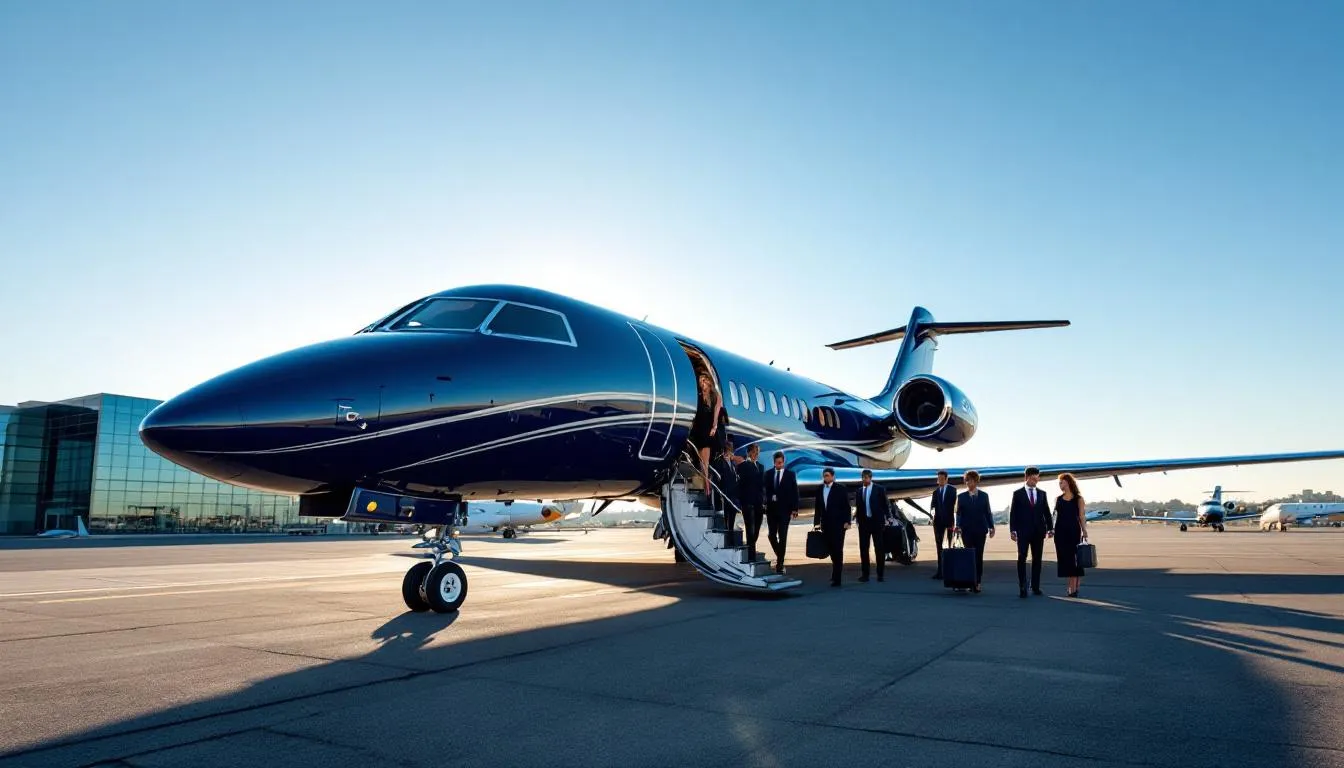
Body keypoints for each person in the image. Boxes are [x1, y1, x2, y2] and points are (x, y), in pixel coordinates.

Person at [1009, 466, 1054, 598]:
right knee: (1021, 558)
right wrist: (1013, 530)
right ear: (1026, 477)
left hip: (1039, 532)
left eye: (1037, 478)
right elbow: (1013, 513)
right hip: (1023, 532)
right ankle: (1022, 586)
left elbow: (1047, 512)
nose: (1035, 480)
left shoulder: (1042, 494)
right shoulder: (1017, 494)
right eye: (1033, 478)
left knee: (1037, 560)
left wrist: (1051, 528)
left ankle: (1035, 586)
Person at [953, 470, 995, 593]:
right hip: (966, 531)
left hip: (981, 531)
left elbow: (988, 512)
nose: (968, 483)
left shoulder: (984, 496)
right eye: (966, 481)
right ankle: (968, 581)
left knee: (978, 556)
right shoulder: (961, 497)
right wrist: (957, 526)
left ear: (976, 481)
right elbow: (958, 514)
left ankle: (977, 582)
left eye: (970, 480)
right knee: (968, 557)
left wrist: (991, 527)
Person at [813, 468, 851, 587]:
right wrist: (816, 523)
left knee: (838, 551)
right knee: (831, 550)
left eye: (828, 476)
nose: (826, 478)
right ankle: (835, 574)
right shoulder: (820, 489)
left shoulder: (841, 489)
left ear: (833, 477)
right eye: (824, 476)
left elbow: (847, 507)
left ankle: (837, 578)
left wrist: (847, 521)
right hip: (826, 525)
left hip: (839, 525)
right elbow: (818, 507)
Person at [763, 451, 799, 574]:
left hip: (785, 510)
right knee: (771, 535)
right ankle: (780, 556)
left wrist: (795, 509)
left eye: (781, 462)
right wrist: (769, 497)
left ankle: (780, 563)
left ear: (783, 462)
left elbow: (795, 492)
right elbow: (765, 490)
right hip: (772, 511)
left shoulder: (790, 475)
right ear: (774, 462)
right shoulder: (768, 474)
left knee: (783, 536)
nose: (779, 464)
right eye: (777, 463)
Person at [1054, 472, 1088, 597]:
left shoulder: (1078, 499)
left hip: (1073, 531)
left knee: (1073, 560)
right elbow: (1055, 516)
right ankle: (1073, 585)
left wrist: (1084, 530)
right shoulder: (1058, 499)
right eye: (1059, 483)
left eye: (1061, 482)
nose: (1060, 485)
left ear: (1068, 482)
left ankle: (1072, 588)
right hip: (1060, 532)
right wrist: (1051, 529)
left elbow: (1082, 516)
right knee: (1065, 559)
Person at [854, 469, 889, 583]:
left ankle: (880, 574)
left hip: (876, 523)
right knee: (863, 549)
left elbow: (885, 505)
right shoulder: (859, 491)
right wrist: (857, 519)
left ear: (870, 478)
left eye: (866, 477)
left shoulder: (879, 489)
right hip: (864, 524)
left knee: (879, 549)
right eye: (863, 477)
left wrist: (888, 518)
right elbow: (858, 507)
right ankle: (865, 574)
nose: (864, 479)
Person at [689, 374, 722, 490]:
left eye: (704, 380)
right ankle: (706, 484)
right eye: (701, 381)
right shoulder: (698, 397)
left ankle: (707, 486)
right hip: (699, 428)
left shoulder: (715, 397)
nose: (702, 382)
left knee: (705, 461)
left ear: (709, 382)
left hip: (707, 430)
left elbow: (716, 413)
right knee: (701, 459)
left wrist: (714, 426)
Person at [735, 443, 766, 561]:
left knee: (756, 529)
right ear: (749, 453)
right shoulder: (743, 466)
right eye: (754, 452)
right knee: (750, 529)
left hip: (758, 502)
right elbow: (740, 484)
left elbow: (762, 485)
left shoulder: (761, 466)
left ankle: (750, 546)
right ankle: (751, 557)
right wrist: (742, 500)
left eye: (757, 452)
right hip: (748, 503)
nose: (756, 454)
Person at [930, 470, 957, 580]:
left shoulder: (952, 490)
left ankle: (949, 571)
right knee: (939, 547)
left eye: (942, 479)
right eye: (938, 479)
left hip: (949, 522)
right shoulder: (935, 492)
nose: (940, 481)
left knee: (950, 546)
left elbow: (955, 506)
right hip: (938, 523)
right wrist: (932, 516)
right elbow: (932, 506)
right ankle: (940, 571)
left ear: (946, 479)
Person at [712, 440, 740, 533]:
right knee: (726, 516)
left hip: (733, 494)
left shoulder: (733, 463)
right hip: (725, 493)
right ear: (725, 450)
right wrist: (720, 493)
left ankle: (730, 532)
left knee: (732, 515)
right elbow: (717, 479)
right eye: (729, 449)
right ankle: (727, 533)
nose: (731, 451)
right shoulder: (719, 462)